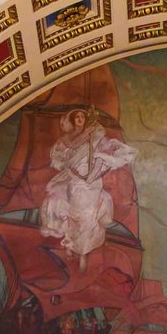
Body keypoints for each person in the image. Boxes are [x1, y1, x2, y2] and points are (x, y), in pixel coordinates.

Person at [39, 105, 137, 266]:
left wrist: (102, 158)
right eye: (77, 117)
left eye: (82, 117)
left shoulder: (95, 137)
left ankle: (84, 252)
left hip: (92, 183)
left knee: (89, 218)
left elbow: (107, 152)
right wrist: (73, 165)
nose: (80, 119)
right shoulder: (67, 139)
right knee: (76, 217)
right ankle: (71, 244)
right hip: (76, 181)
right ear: (72, 120)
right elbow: (62, 158)